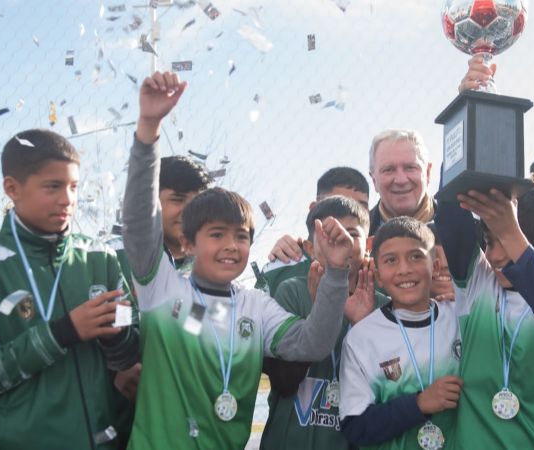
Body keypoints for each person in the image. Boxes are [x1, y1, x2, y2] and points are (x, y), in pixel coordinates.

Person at [122, 71, 358, 450]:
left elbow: (312, 344)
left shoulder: (256, 307)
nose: (231, 246)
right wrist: (149, 127)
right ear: (188, 241)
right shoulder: (161, 288)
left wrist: (335, 274)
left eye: (242, 237)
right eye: (216, 235)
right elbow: (137, 220)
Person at [0, 129, 138, 450]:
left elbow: (130, 353)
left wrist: (116, 337)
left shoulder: (100, 258)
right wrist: (61, 333)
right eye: (53, 186)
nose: (68, 199)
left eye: (74, 187)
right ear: (12, 188)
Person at [435, 182, 534, 449]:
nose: (493, 256)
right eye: (489, 241)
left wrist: (511, 232)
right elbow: (451, 210)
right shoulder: (478, 280)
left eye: (506, 242)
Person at [260, 196, 386, 450]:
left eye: (351, 233)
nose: (339, 240)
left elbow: (389, 386)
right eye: (328, 233)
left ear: (369, 244)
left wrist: (362, 328)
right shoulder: (292, 292)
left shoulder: (383, 305)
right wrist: (321, 315)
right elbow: (283, 384)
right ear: (308, 247)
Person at [339, 217, 463, 449]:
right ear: (377, 274)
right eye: (391, 260)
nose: (404, 269)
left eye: (416, 257)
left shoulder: (460, 318)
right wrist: (418, 404)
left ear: (434, 266)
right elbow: (356, 428)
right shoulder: (361, 338)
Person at [258, 166, 371, 296]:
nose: (350, 212)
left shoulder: (382, 272)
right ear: (314, 209)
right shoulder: (280, 270)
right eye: (336, 203)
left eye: (361, 207)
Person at [109, 154, 211, 288]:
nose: (190, 211)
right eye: (178, 199)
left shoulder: (211, 268)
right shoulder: (112, 257)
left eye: (198, 203)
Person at [368, 130, 435, 235]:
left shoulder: (460, 224)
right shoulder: (359, 235)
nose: (401, 180)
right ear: (374, 180)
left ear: (427, 173)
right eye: (389, 170)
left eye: (410, 168)